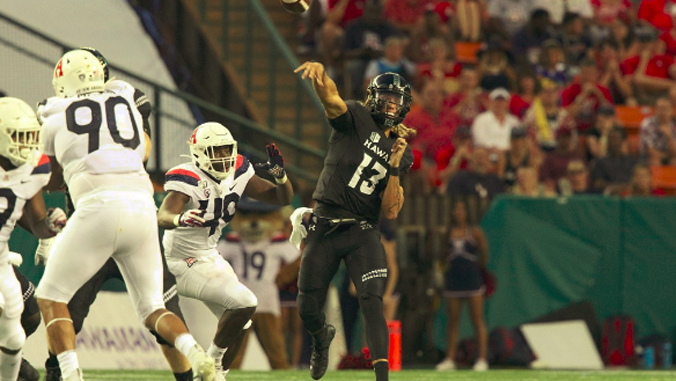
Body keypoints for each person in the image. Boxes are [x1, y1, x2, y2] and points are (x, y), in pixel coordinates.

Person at [34, 49, 215, 381]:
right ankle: (192, 348)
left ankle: (72, 375)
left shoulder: (54, 115)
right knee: (152, 307)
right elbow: (138, 144)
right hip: (141, 207)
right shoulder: (126, 102)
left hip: (96, 211)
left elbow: (49, 176)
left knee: (50, 296)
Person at [293, 61, 414, 381]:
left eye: (396, 100)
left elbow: (390, 210)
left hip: (362, 230)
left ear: (404, 108)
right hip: (325, 224)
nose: (390, 104)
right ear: (372, 97)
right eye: (385, 97)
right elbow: (331, 99)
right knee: (306, 306)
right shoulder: (357, 118)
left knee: (372, 301)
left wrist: (394, 167)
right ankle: (322, 338)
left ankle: (383, 378)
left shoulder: (402, 150)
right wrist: (321, 77)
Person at [157, 123, 293, 380]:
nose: (223, 157)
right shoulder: (188, 176)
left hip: (209, 255)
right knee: (246, 302)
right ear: (198, 152)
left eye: (225, 150)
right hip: (183, 260)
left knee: (243, 320)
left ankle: (215, 374)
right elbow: (163, 215)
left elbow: (280, 198)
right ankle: (212, 364)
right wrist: (180, 219)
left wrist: (280, 177)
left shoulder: (238, 170)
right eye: (215, 151)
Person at [0, 97, 66, 381]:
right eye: (18, 136)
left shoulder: (32, 168)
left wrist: (50, 228)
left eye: (30, 136)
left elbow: (38, 222)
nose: (26, 144)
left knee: (15, 337)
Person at [218, 199, 300, 370]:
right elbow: (214, 259)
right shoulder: (235, 241)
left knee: (277, 355)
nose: (254, 221)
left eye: (262, 215)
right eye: (247, 215)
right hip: (243, 304)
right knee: (233, 357)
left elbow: (298, 261)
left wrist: (283, 277)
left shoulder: (276, 242)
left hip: (264, 304)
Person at [435, 200, 489, 372]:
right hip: (454, 281)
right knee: (453, 321)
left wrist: (477, 270)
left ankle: (481, 359)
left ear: (467, 212)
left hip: (472, 280)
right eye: (455, 210)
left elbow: (484, 254)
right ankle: (450, 358)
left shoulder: (475, 232)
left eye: (461, 209)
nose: (458, 213)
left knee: (477, 319)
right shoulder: (448, 233)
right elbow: (443, 254)